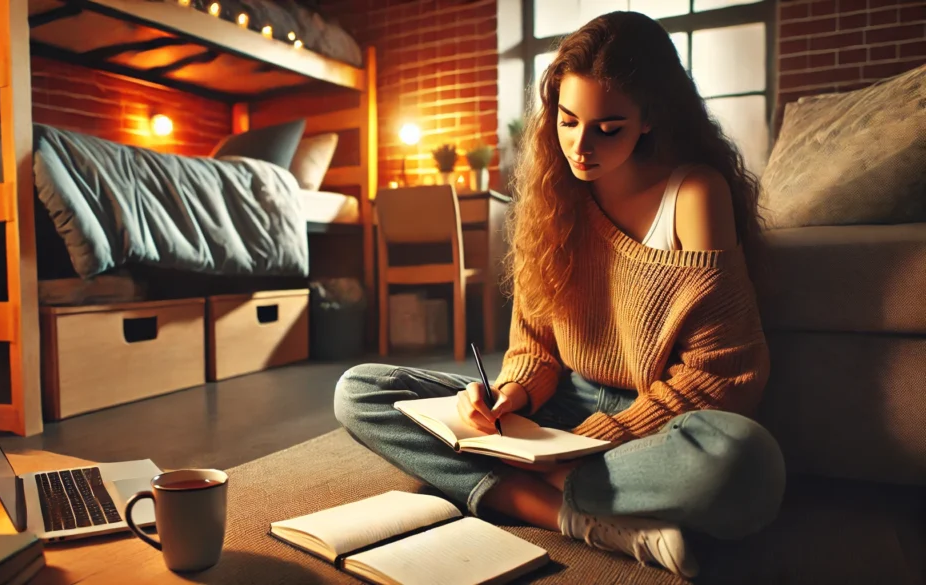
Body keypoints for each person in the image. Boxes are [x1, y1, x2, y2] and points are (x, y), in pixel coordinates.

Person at [334, 11, 784, 578]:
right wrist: (509, 396)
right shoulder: (551, 195)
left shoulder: (693, 193)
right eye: (568, 121)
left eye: (608, 127)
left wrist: (580, 446)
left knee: (746, 465)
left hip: (652, 421)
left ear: (649, 118)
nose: (579, 146)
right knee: (360, 391)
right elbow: (534, 347)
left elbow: (720, 375)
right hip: (557, 408)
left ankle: (521, 487)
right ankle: (574, 517)